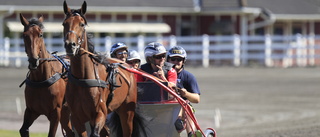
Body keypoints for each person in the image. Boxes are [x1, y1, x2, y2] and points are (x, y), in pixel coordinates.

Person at [167, 46, 201, 137]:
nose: (176, 62)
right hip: (165, 106)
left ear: (183, 61)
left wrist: (186, 94)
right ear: (168, 60)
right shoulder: (163, 74)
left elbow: (197, 99)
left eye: (179, 59)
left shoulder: (188, 77)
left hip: (183, 107)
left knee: (186, 106)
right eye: (173, 59)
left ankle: (191, 134)